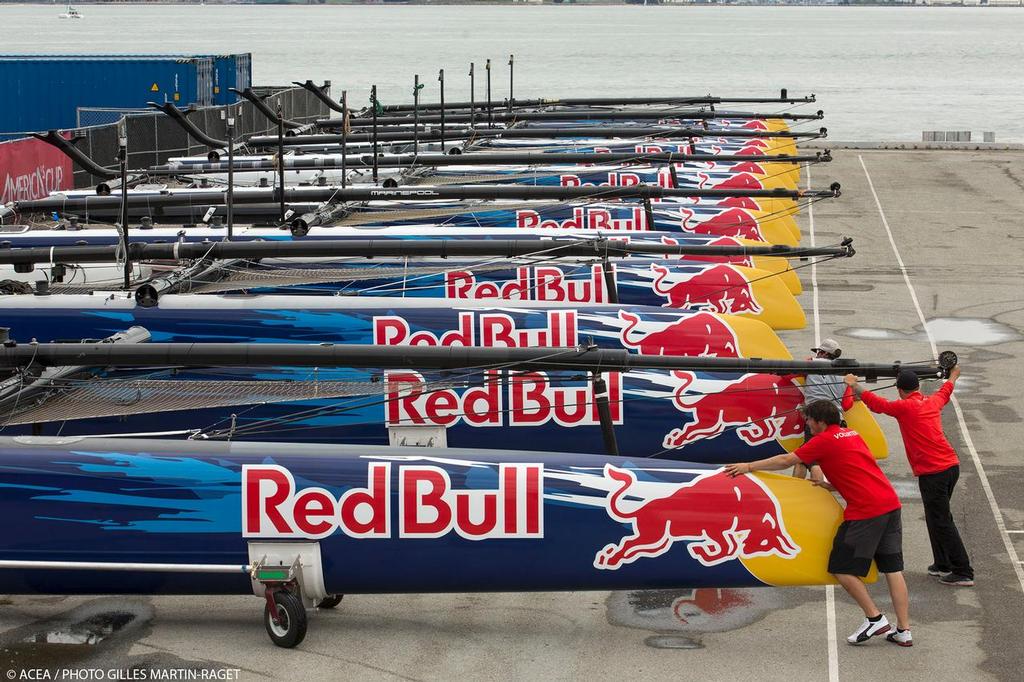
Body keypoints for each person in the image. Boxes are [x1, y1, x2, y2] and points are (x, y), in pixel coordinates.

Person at [724, 400, 912, 647]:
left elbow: (786, 460)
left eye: (809, 420)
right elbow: (859, 468)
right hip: (889, 503)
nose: (807, 424)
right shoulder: (850, 433)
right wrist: (833, 485)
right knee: (893, 569)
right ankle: (904, 630)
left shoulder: (823, 440)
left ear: (820, 422)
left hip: (867, 511)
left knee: (842, 568)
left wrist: (748, 466)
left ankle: (874, 618)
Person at [845, 366, 974, 587]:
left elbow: (878, 404)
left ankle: (963, 570)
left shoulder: (905, 407)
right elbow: (947, 389)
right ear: (916, 387)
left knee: (942, 520)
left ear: (900, 390)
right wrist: (954, 373)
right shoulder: (932, 401)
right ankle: (943, 563)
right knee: (936, 517)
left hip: (933, 472)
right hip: (950, 466)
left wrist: (853, 384)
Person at [793, 338, 854, 481]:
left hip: (816, 419)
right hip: (836, 422)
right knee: (804, 459)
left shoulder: (810, 363)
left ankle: (812, 495)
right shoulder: (845, 373)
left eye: (819, 352)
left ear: (823, 353)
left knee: (811, 460)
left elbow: (789, 374)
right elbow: (847, 404)